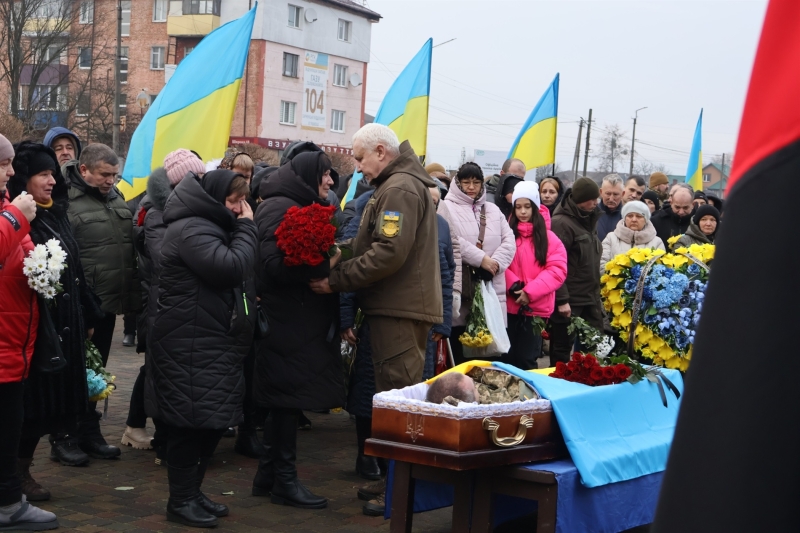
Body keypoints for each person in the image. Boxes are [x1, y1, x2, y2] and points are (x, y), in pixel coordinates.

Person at [309, 124, 443, 516]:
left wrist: (335, 280)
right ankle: (394, 480)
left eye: (360, 157)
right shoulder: (394, 184)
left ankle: (404, 489)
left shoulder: (398, 188)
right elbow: (369, 242)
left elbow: (388, 253)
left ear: (381, 151)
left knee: (400, 402)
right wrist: (335, 252)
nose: (357, 166)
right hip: (396, 306)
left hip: (400, 309)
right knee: (392, 398)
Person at [147, 169, 256, 528]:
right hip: (188, 341)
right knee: (188, 424)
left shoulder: (208, 224)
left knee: (210, 420)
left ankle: (192, 493)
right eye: (234, 201)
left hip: (208, 338)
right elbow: (232, 267)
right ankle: (179, 500)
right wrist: (247, 228)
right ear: (214, 199)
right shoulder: (192, 228)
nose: (241, 208)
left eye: (243, 200)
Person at [8, 142, 103, 500]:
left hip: (65, 326)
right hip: (35, 329)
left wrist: (89, 312)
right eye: (42, 174)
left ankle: (22, 468)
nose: (51, 181)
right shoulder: (19, 217)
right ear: (23, 179)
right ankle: (17, 473)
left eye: (52, 174)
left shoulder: (56, 212)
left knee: (50, 407)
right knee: (31, 406)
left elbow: (75, 268)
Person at [250, 151, 343, 509]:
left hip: (296, 319)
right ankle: (284, 482)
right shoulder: (280, 208)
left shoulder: (296, 202)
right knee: (286, 399)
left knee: (283, 402)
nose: (331, 181)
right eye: (325, 175)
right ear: (307, 176)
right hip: (287, 319)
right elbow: (273, 267)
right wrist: (326, 262)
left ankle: (268, 476)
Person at [122, 149, 206, 454]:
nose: (201, 183)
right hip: (160, 301)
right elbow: (164, 258)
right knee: (156, 370)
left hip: (173, 301)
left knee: (160, 369)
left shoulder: (181, 207)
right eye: (195, 178)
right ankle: (145, 429)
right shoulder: (157, 210)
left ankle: (152, 429)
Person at [64, 143, 141, 461]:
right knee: (72, 372)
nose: (111, 180)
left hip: (109, 304)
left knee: (96, 371)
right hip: (81, 306)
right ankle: (64, 436)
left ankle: (88, 431)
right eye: (104, 174)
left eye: (114, 175)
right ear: (84, 171)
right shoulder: (66, 202)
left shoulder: (116, 198)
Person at [0, 136, 59, 531]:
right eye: (4, 165)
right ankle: (6, 505)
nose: (10, 173)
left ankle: (7, 499)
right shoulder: (12, 211)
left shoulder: (8, 206)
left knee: (10, 425)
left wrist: (43, 267)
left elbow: (18, 253)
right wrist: (16, 218)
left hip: (15, 342)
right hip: (4, 345)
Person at [437, 162, 516, 365]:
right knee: (462, 353)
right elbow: (452, 241)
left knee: (491, 356)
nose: (471, 187)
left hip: (491, 287)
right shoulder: (446, 207)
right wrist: (482, 260)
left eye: (476, 182)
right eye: (466, 182)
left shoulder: (492, 210)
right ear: (458, 183)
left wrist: (495, 264)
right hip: (464, 288)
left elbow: (509, 240)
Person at [503, 182, 567, 370]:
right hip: (508, 306)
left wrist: (529, 291)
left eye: (527, 206)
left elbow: (557, 270)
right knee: (505, 359)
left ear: (535, 208)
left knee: (526, 360)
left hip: (535, 309)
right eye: (518, 207)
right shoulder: (507, 236)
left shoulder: (549, 238)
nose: (522, 212)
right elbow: (499, 262)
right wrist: (513, 285)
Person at [549, 177, 603, 364]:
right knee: (561, 352)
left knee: (592, 351)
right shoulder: (561, 223)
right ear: (579, 199)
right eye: (591, 199)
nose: (595, 202)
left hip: (590, 298)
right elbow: (554, 264)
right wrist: (562, 300)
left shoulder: (589, 219)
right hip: (570, 301)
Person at [422, 186, 456, 380]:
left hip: (432, 309)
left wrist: (443, 321)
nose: (432, 204)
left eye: (436, 201)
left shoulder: (441, 224)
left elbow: (448, 272)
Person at [600, 200, 665, 274]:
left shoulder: (657, 242)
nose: (634, 220)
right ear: (624, 218)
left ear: (645, 220)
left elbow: (660, 269)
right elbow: (602, 264)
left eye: (639, 216)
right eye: (630, 216)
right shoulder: (611, 238)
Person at [596, 174, 623, 242]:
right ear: (601, 192)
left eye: (615, 194)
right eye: (608, 194)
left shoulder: (628, 216)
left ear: (623, 194)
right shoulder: (591, 214)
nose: (611, 199)